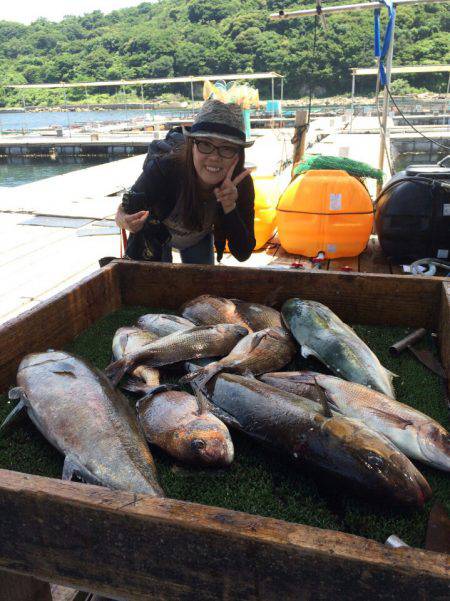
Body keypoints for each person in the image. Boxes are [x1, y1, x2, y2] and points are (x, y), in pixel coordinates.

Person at [115, 99, 256, 264]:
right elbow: (124, 210)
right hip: (157, 232)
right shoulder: (165, 168)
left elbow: (243, 253)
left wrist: (230, 207)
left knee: (202, 285)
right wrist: (124, 220)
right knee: (155, 283)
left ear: (238, 155)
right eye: (205, 144)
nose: (214, 157)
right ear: (192, 145)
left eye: (226, 148)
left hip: (198, 238)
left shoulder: (241, 184)